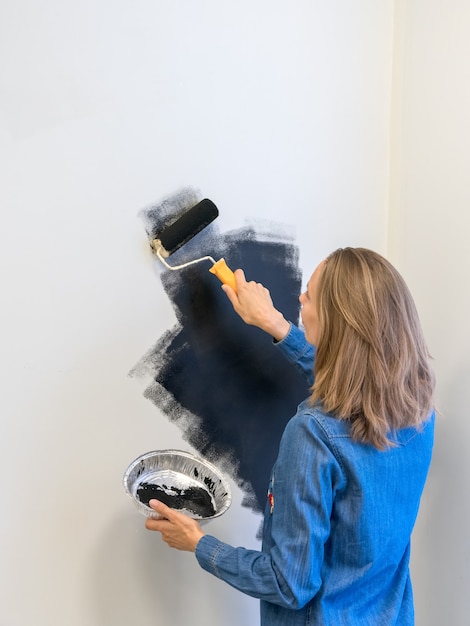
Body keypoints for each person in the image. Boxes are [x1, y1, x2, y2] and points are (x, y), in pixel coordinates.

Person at [145, 247, 436, 625]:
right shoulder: (416, 407)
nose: (300, 298)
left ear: (336, 324)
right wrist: (276, 325)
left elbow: (289, 583)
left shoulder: (312, 435)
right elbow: (354, 385)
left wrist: (199, 544)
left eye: (309, 296)